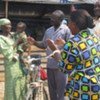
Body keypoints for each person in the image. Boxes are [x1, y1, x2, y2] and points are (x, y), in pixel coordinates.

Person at [47, 9, 100, 100]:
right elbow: (82, 56)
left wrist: (55, 51)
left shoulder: (72, 43)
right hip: (96, 88)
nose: (68, 25)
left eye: (69, 22)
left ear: (74, 24)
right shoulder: (95, 38)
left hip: (81, 90)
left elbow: (64, 68)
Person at [28, 10, 72, 100]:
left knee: (61, 92)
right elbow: (44, 45)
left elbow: (71, 47)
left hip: (61, 66)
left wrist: (62, 44)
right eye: (51, 17)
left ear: (60, 19)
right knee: (52, 91)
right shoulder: (48, 30)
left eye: (54, 18)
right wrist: (35, 42)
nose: (51, 19)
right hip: (50, 65)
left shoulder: (66, 30)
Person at [0, 18, 27, 100]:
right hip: (11, 64)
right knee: (12, 84)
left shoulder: (14, 35)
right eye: (7, 25)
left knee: (21, 82)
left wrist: (24, 45)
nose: (10, 26)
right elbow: (7, 52)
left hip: (20, 63)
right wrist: (17, 42)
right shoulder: (1, 39)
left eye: (10, 24)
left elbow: (22, 46)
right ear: (1, 27)